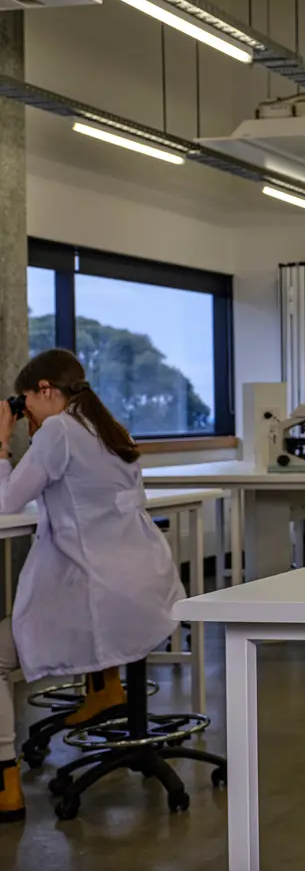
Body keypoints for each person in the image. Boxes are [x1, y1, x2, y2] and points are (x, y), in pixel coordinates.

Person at [0, 349, 186, 823]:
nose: (25, 413)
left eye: (26, 401)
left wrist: (2, 445)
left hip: (102, 595)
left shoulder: (59, 431)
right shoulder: (106, 427)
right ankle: (105, 690)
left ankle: (5, 784)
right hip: (147, 588)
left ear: (45, 390)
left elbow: (6, 502)